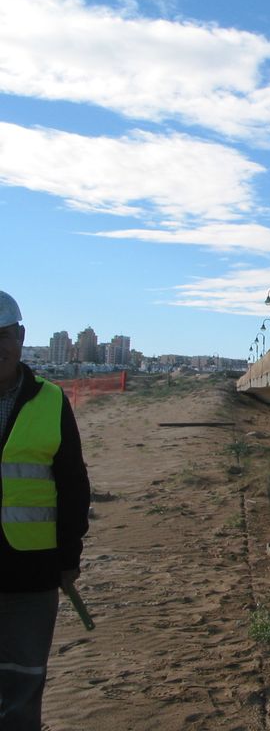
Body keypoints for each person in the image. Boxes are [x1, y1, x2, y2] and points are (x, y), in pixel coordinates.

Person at [0, 291, 90, 730]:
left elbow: (73, 485)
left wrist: (69, 557)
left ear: (20, 337)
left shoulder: (52, 401)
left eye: (3, 335)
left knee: (23, 680)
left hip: (32, 571)